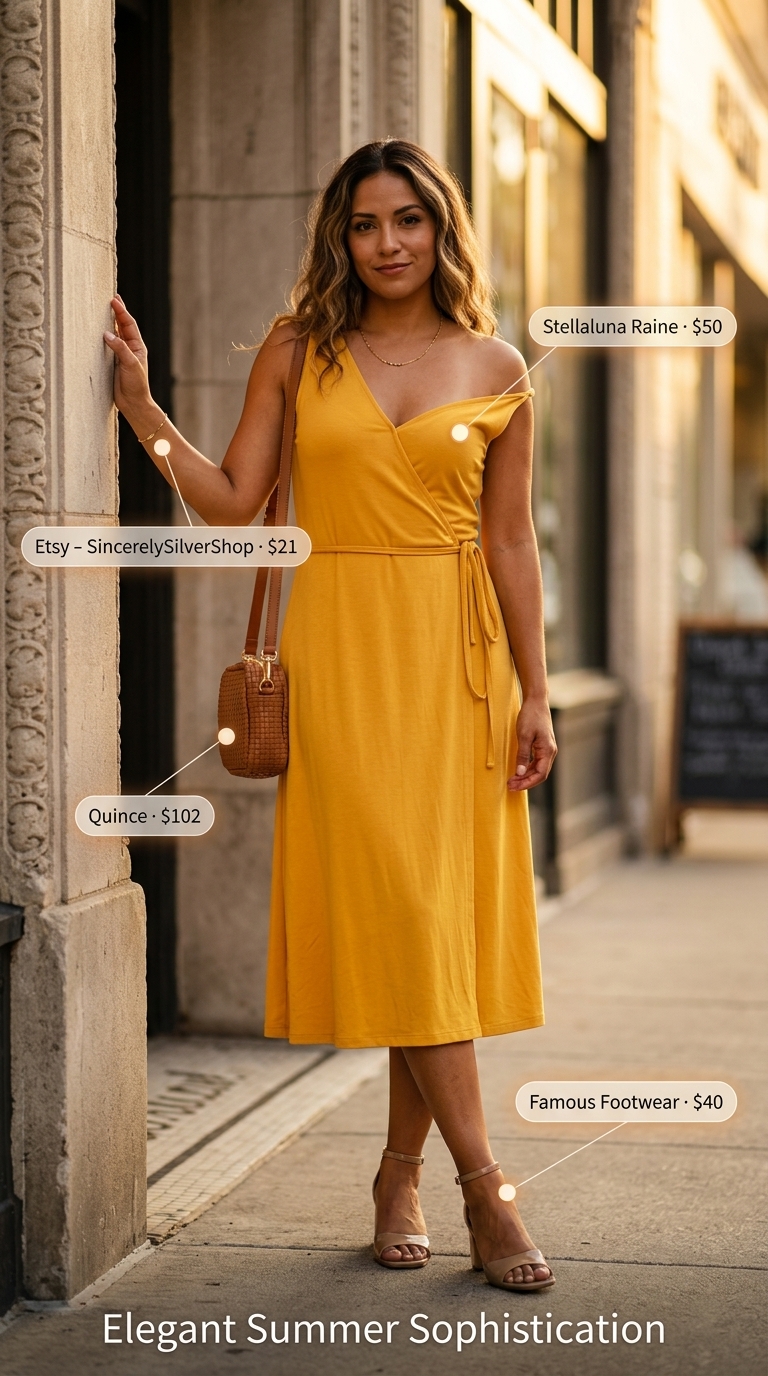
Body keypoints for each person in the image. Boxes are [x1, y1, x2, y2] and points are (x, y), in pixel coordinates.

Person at [105, 139, 557, 1292]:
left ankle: (401, 1169)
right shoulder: (299, 348)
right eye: (365, 224)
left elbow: (510, 539)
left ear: (440, 228)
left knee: (430, 932)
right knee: (407, 912)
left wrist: (538, 691)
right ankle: (485, 1189)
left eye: (409, 219)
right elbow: (229, 502)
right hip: (345, 652)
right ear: (340, 237)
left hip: (459, 669)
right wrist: (144, 409)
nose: (389, 242)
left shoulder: (498, 362)